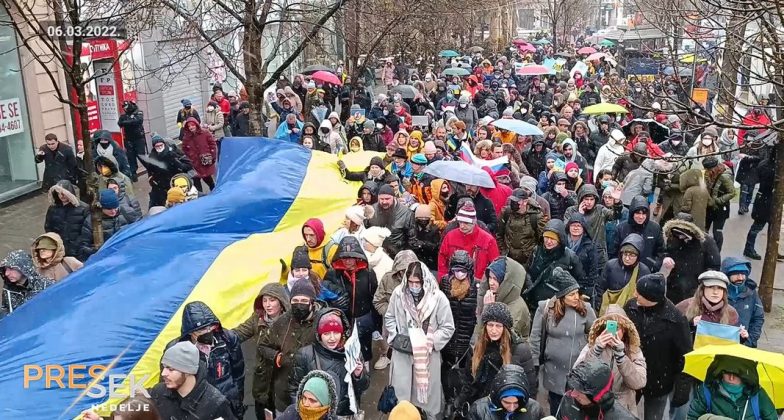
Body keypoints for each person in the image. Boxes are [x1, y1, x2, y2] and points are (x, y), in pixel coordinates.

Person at [385, 261, 455, 418]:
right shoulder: (398, 294)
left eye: (417, 282)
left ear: (424, 281)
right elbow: (389, 317)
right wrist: (394, 336)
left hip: (427, 356)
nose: (414, 286)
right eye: (410, 282)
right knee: (402, 399)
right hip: (403, 353)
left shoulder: (438, 298)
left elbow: (448, 327)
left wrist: (430, 342)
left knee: (428, 402)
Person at [530, 268, 597, 415]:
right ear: (561, 296)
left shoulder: (586, 309)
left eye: (577, 293)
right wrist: (534, 363)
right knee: (557, 408)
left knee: (577, 408)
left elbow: (595, 333)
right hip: (554, 371)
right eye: (571, 294)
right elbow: (535, 337)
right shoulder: (546, 309)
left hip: (578, 370)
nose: (576, 297)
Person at [162, 301, 245, 418]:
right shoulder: (176, 349)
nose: (207, 332)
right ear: (191, 332)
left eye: (210, 327)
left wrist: (237, 400)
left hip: (227, 404)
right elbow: (167, 382)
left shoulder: (228, 339)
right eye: (201, 330)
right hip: (196, 409)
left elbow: (239, 372)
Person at [454, 303, 536, 410]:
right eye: (490, 325)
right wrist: (460, 402)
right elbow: (469, 381)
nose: (493, 330)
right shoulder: (477, 347)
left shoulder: (519, 349)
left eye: (498, 326)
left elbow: (530, 386)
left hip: (508, 406)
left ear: (505, 327)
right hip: (481, 406)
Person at [288, 309, 369, 417]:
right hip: (316, 415)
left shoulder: (353, 352)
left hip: (345, 414)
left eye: (336, 332)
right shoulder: (305, 355)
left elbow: (363, 387)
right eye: (326, 333)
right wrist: (301, 414)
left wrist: (358, 375)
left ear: (342, 333)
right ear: (319, 334)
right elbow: (295, 389)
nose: (332, 338)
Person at [259, 281, 322, 414]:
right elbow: (263, 346)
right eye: (295, 300)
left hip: (313, 395)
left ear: (312, 302)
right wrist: (276, 356)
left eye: (304, 301)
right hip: (284, 394)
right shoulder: (283, 321)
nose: (299, 304)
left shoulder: (321, 321)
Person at [574, 305, 647, 416]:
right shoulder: (592, 346)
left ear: (624, 330)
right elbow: (576, 375)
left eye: (617, 328)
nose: (612, 332)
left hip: (623, 409)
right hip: (596, 407)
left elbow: (639, 383)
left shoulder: (633, 351)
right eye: (610, 327)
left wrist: (621, 357)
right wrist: (595, 351)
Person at [233, 283, 289, 420]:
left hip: (283, 382)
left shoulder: (290, 322)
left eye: (272, 300)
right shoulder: (257, 319)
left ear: (281, 302)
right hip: (262, 383)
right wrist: (219, 335)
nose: (268, 305)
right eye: (265, 301)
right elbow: (238, 333)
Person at [321, 235, 378, 364]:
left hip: (363, 318)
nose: (347, 261)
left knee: (364, 349)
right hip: (341, 319)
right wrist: (334, 303)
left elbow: (374, 297)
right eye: (344, 257)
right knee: (342, 349)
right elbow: (324, 294)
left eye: (351, 257)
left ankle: (364, 369)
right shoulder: (332, 274)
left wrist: (375, 323)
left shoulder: (368, 273)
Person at [149, 341, 237, 420]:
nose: (163, 373)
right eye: (164, 367)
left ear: (188, 371)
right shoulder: (159, 392)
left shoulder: (215, 404)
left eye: (171, 369)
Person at [687, 355, 778, 420]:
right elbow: (692, 416)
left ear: (745, 375)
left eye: (736, 374)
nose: (731, 378)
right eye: (727, 373)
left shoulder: (757, 394)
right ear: (720, 372)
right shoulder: (708, 391)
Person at [372, 250, 419, 370]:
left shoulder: (425, 279)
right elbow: (378, 300)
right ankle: (385, 355)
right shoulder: (388, 278)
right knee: (388, 340)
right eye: (403, 270)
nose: (406, 273)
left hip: (415, 321)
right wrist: (391, 314)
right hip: (391, 321)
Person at [524, 220, 585, 310]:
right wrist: (530, 286)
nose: (548, 241)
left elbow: (580, 281)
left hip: (558, 307)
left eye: (553, 238)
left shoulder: (570, 257)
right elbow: (527, 271)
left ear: (560, 240)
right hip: (535, 304)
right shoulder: (536, 251)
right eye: (546, 237)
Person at [663, 218, 722, 305]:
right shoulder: (673, 238)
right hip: (674, 285)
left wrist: (704, 281)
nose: (680, 237)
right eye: (677, 234)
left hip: (696, 286)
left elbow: (714, 265)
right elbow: (665, 251)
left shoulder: (706, 242)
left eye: (682, 234)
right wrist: (666, 258)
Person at [556, 360, 637, 420]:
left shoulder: (621, 417)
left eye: (580, 391)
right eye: (574, 387)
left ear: (598, 395)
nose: (573, 394)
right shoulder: (568, 400)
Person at [437, 202, 500, 280]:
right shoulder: (450, 237)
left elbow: (496, 267)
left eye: (466, 223)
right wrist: (443, 278)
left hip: (479, 284)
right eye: (460, 222)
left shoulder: (488, 241)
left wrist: (485, 283)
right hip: (454, 283)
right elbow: (442, 260)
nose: (462, 226)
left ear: (474, 221)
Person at [476, 257, 531, 339]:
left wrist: (489, 310)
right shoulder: (494, 296)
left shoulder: (517, 308)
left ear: (506, 282)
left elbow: (500, 338)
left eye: (495, 279)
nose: (491, 283)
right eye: (490, 277)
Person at [468, 364, 545, 420]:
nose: (511, 408)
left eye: (516, 403)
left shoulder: (534, 409)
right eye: (507, 402)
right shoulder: (479, 409)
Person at [597, 233, 651, 311]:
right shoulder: (610, 266)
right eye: (625, 254)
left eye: (632, 255)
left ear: (638, 256)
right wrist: (598, 306)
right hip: (608, 309)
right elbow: (600, 289)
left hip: (632, 311)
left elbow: (646, 297)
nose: (627, 258)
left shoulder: (643, 271)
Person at [722, 257, 764, 348]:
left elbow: (758, 318)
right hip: (719, 342)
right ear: (727, 275)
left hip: (743, 344)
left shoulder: (752, 293)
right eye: (736, 274)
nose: (740, 278)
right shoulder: (719, 292)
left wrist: (750, 340)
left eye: (743, 274)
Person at [496, 189, 545, 267]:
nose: (513, 203)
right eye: (512, 200)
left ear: (525, 202)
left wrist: (533, 257)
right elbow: (499, 234)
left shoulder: (535, 216)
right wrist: (503, 252)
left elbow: (542, 240)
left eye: (516, 201)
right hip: (508, 259)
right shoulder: (506, 213)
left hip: (528, 261)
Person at [614, 195, 664, 271]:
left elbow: (661, 251)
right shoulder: (621, 228)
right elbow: (614, 251)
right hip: (625, 269)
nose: (641, 217)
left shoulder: (655, 228)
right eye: (638, 213)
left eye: (644, 214)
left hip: (647, 270)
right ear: (632, 213)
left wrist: (655, 265)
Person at [77, 189, 129, 261]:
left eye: (115, 208)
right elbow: (83, 246)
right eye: (109, 209)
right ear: (101, 207)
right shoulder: (91, 221)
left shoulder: (125, 213)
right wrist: (96, 252)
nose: (113, 211)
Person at [0, 250, 54, 317]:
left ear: (23, 268)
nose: (6, 273)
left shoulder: (46, 285)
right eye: (5, 269)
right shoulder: (8, 289)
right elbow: (5, 312)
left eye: (11, 269)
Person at [366, 184, 416, 256]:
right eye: (381, 199)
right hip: (375, 254)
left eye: (387, 199)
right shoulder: (372, 210)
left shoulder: (406, 213)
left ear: (394, 198)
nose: (384, 202)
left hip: (397, 254)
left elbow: (411, 239)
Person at [44, 180, 90, 258]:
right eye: (59, 193)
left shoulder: (83, 208)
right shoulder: (53, 209)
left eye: (64, 193)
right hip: (60, 249)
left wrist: (77, 245)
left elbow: (86, 231)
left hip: (78, 250)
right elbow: (48, 227)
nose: (62, 196)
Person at [744, 150, 776, 260]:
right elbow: (768, 183)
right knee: (758, 226)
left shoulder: (765, 164)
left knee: (771, 226)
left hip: (766, 198)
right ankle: (749, 248)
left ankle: (772, 250)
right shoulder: (769, 167)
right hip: (765, 200)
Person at [147, 135, 193, 208]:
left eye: (161, 145)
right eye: (157, 146)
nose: (159, 147)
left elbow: (188, 165)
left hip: (177, 184)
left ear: (164, 144)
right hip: (161, 188)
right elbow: (150, 171)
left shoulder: (174, 152)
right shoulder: (152, 157)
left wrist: (176, 162)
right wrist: (152, 180)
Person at [702, 156, 736, 250]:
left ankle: (716, 252)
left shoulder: (725, 176)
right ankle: (704, 250)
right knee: (704, 230)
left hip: (720, 208)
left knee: (717, 232)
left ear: (715, 167)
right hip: (709, 206)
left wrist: (718, 200)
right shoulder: (709, 173)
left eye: (709, 169)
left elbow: (732, 192)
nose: (707, 171)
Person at [565, 213, 600, 302]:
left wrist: (587, 289)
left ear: (583, 228)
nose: (576, 228)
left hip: (582, 286)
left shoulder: (590, 246)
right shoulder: (562, 243)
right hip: (564, 285)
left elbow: (593, 270)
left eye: (579, 226)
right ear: (568, 227)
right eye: (573, 225)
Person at [181, 117, 218, 193]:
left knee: (209, 180)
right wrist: (189, 157)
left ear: (196, 124)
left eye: (192, 125)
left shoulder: (205, 133)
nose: (191, 127)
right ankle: (200, 197)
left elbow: (212, 144)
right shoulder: (186, 137)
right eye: (189, 126)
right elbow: (184, 149)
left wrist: (212, 156)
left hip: (205, 162)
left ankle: (215, 193)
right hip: (194, 163)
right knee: (196, 182)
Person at [117, 100, 147, 181]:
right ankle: (133, 174)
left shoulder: (138, 112)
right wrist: (129, 121)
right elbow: (120, 123)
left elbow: (138, 121)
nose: (125, 109)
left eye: (126, 107)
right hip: (129, 139)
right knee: (131, 157)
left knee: (141, 156)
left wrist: (127, 122)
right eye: (124, 108)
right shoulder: (124, 116)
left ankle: (150, 169)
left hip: (139, 139)